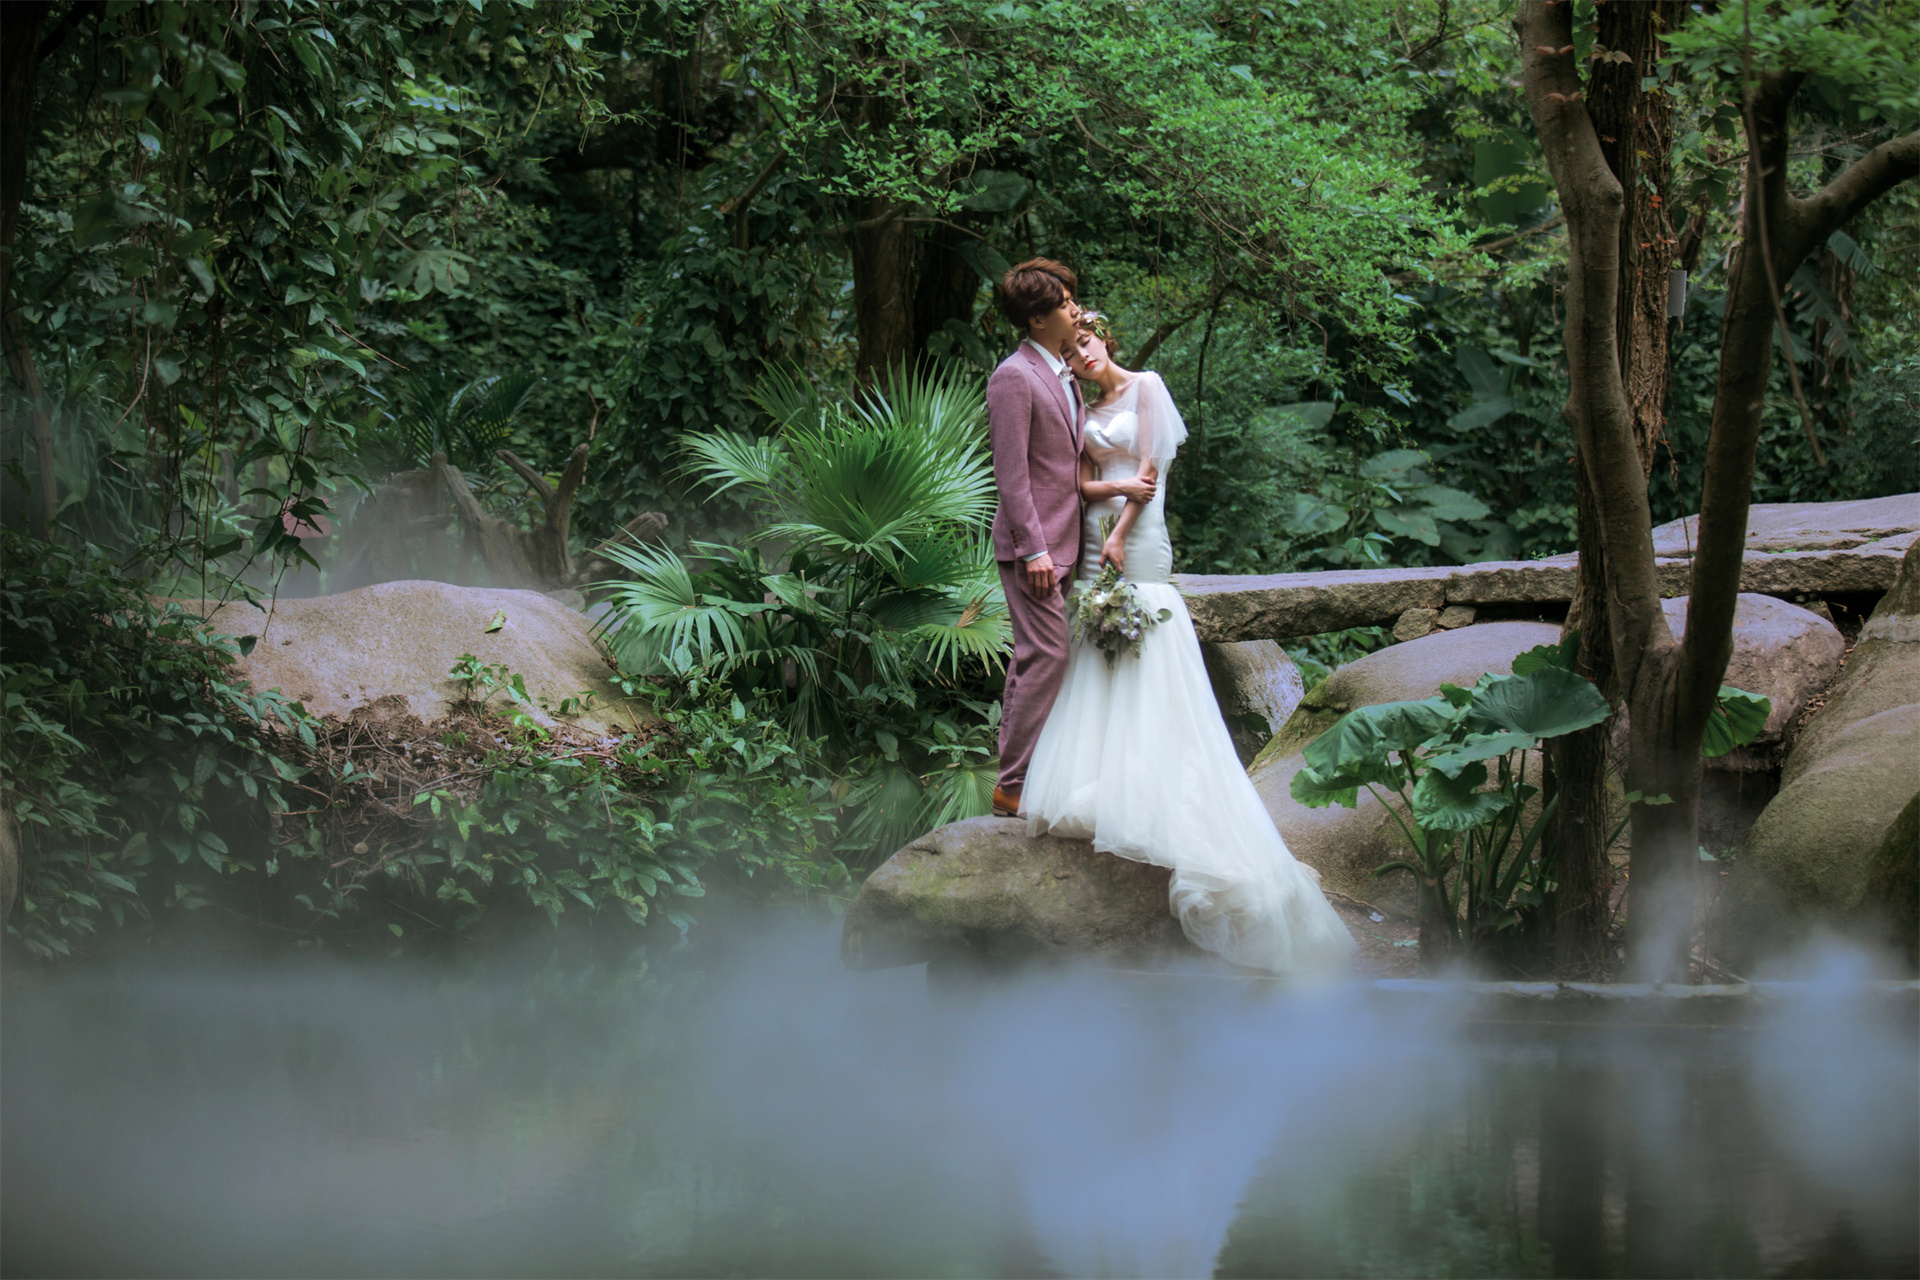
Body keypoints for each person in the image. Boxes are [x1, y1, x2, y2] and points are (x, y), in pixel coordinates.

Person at [1019, 312, 1355, 975]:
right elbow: (1083, 482)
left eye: (1087, 342)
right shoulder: (1082, 406)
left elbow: (1151, 474)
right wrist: (1106, 505)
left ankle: (1164, 787)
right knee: (1099, 641)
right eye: (1072, 346)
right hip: (1095, 527)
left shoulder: (1147, 386)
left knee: (1144, 629)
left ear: (1105, 340)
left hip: (1137, 536)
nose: (1081, 354)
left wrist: (1120, 531)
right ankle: (1102, 778)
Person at [985, 260, 1155, 818]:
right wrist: (1032, 548)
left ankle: (1014, 777)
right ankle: (1013, 784)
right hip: (1031, 548)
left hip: (1067, 542)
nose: (1075, 309)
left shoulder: (1061, 371)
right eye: (1064, 303)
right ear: (1037, 319)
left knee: (1034, 656)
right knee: (1049, 653)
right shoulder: (1014, 376)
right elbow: (1012, 475)